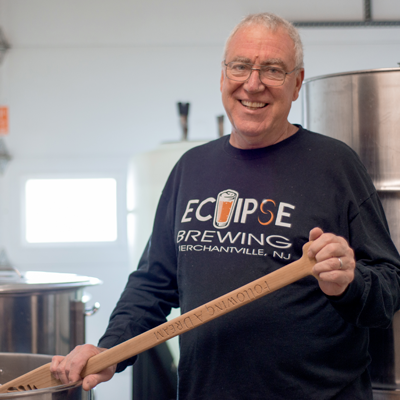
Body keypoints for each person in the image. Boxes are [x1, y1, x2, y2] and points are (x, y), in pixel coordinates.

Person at [51, 12, 400, 400]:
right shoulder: (191, 168)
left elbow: (389, 286)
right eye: (240, 66)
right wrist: (109, 349)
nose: (253, 84)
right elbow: (153, 284)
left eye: (273, 69)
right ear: (222, 76)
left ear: (297, 83)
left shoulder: (335, 165)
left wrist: (349, 283)